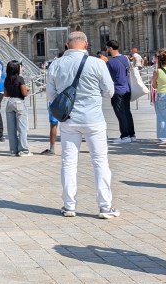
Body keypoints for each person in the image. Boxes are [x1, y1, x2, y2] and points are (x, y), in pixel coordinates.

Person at [46, 31, 118, 219]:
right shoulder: (97, 63)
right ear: (86, 44)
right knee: (100, 161)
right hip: (93, 119)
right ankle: (105, 207)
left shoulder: (56, 64)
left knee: (68, 162)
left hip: (68, 120)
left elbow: (51, 96)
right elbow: (109, 92)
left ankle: (69, 205)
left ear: (67, 45)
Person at [106, 40, 136, 143]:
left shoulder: (110, 62)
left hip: (117, 90)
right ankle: (132, 134)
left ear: (110, 48)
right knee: (127, 112)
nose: (107, 50)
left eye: (107, 48)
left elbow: (106, 77)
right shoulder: (125, 58)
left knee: (120, 113)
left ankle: (125, 136)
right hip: (127, 89)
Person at [3, 60, 30, 156]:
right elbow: (24, 93)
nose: (21, 68)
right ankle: (23, 150)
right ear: (16, 68)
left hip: (10, 102)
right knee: (22, 128)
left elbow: (6, 94)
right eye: (20, 67)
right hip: (19, 102)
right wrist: (27, 89)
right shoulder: (20, 79)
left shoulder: (7, 79)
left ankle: (13, 150)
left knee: (11, 129)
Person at [42, 52, 63, 155]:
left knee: (53, 124)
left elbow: (49, 85)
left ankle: (52, 148)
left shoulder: (54, 66)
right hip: (68, 99)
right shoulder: (71, 67)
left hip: (55, 99)